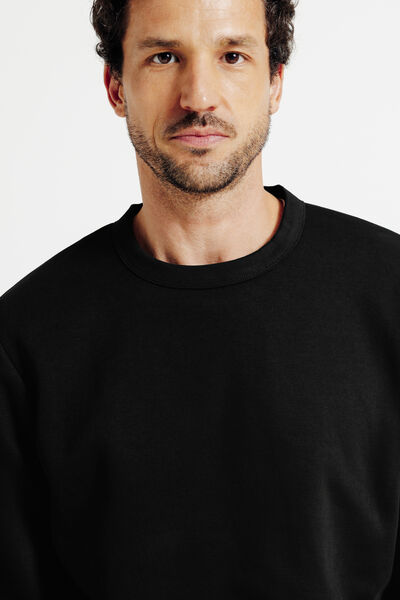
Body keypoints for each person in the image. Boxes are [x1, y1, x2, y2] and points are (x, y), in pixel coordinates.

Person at [0, 0, 399, 597]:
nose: (199, 97)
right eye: (164, 57)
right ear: (116, 86)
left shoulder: (389, 292)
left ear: (275, 82)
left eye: (232, 56)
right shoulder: (25, 338)